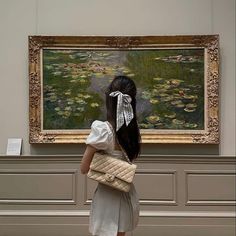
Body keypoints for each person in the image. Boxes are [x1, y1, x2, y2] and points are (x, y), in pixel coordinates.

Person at [80, 75, 141, 236]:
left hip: (107, 198)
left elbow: (84, 168)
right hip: (126, 194)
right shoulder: (132, 131)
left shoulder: (103, 131)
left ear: (110, 100)